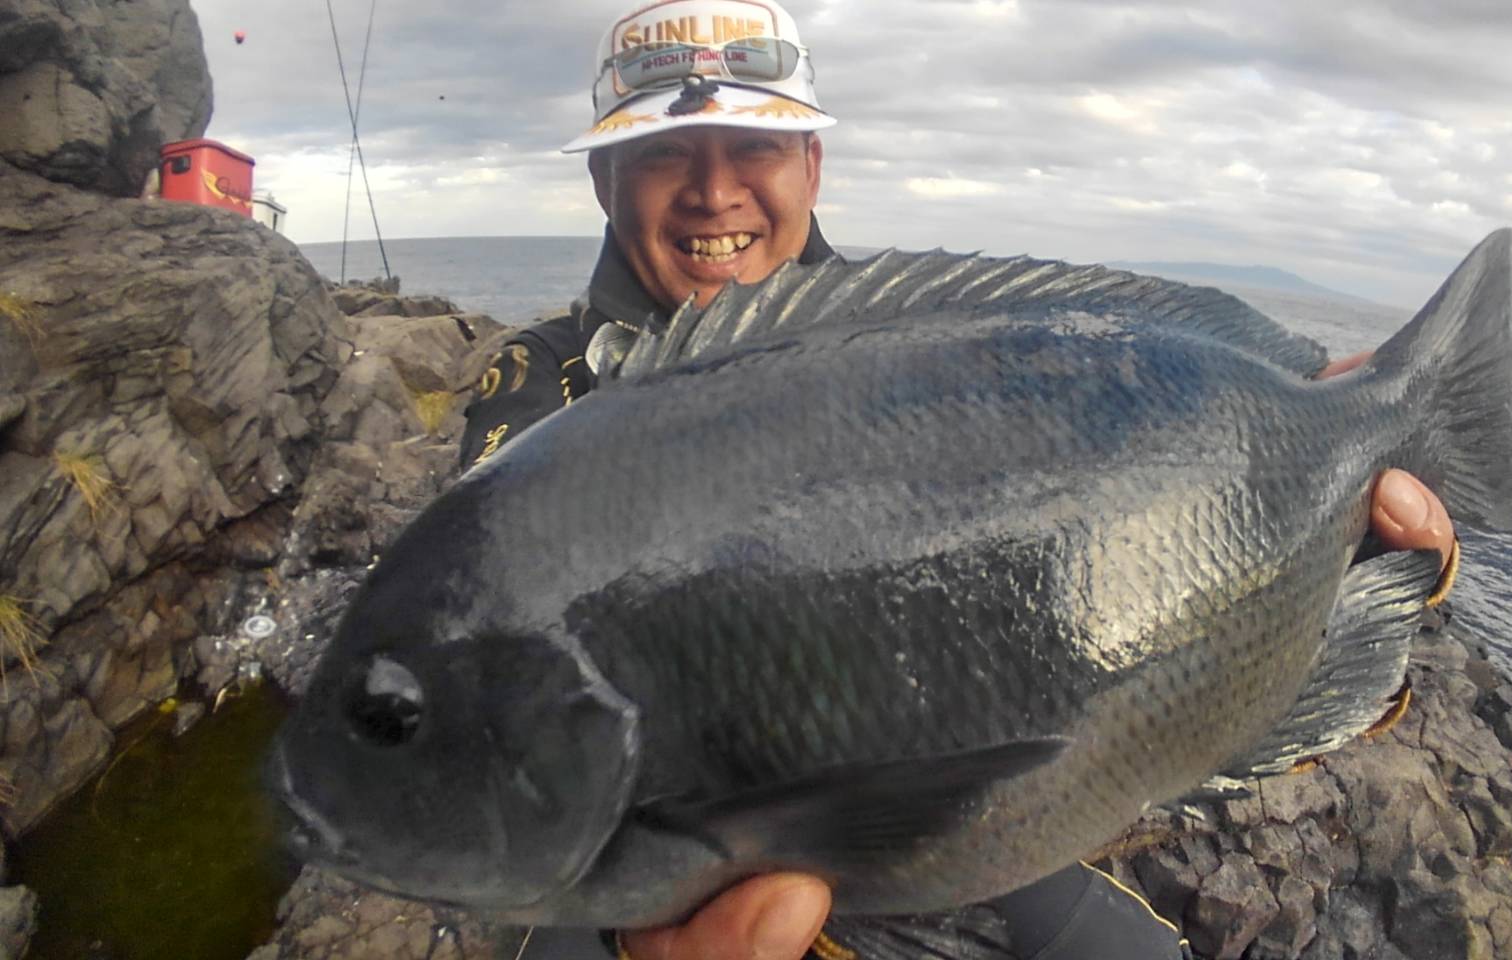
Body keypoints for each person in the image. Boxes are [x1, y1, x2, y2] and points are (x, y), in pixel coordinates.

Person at [461, 2, 1458, 956]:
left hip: (958, 829)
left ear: (810, 165)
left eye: (754, 147)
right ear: (604, 182)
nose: (712, 191)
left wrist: (1357, 551)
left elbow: (1144, 530)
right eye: (661, 153)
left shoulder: (939, 353)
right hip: (635, 877)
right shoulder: (540, 407)